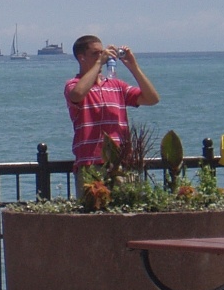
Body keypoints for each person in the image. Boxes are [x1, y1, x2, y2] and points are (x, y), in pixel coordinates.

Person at [65, 35, 159, 183]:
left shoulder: (116, 86)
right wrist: (99, 63)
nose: (101, 56)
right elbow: (77, 95)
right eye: (95, 53)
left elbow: (152, 99)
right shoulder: (73, 84)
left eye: (102, 52)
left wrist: (133, 67)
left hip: (120, 162)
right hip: (90, 162)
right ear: (81, 57)